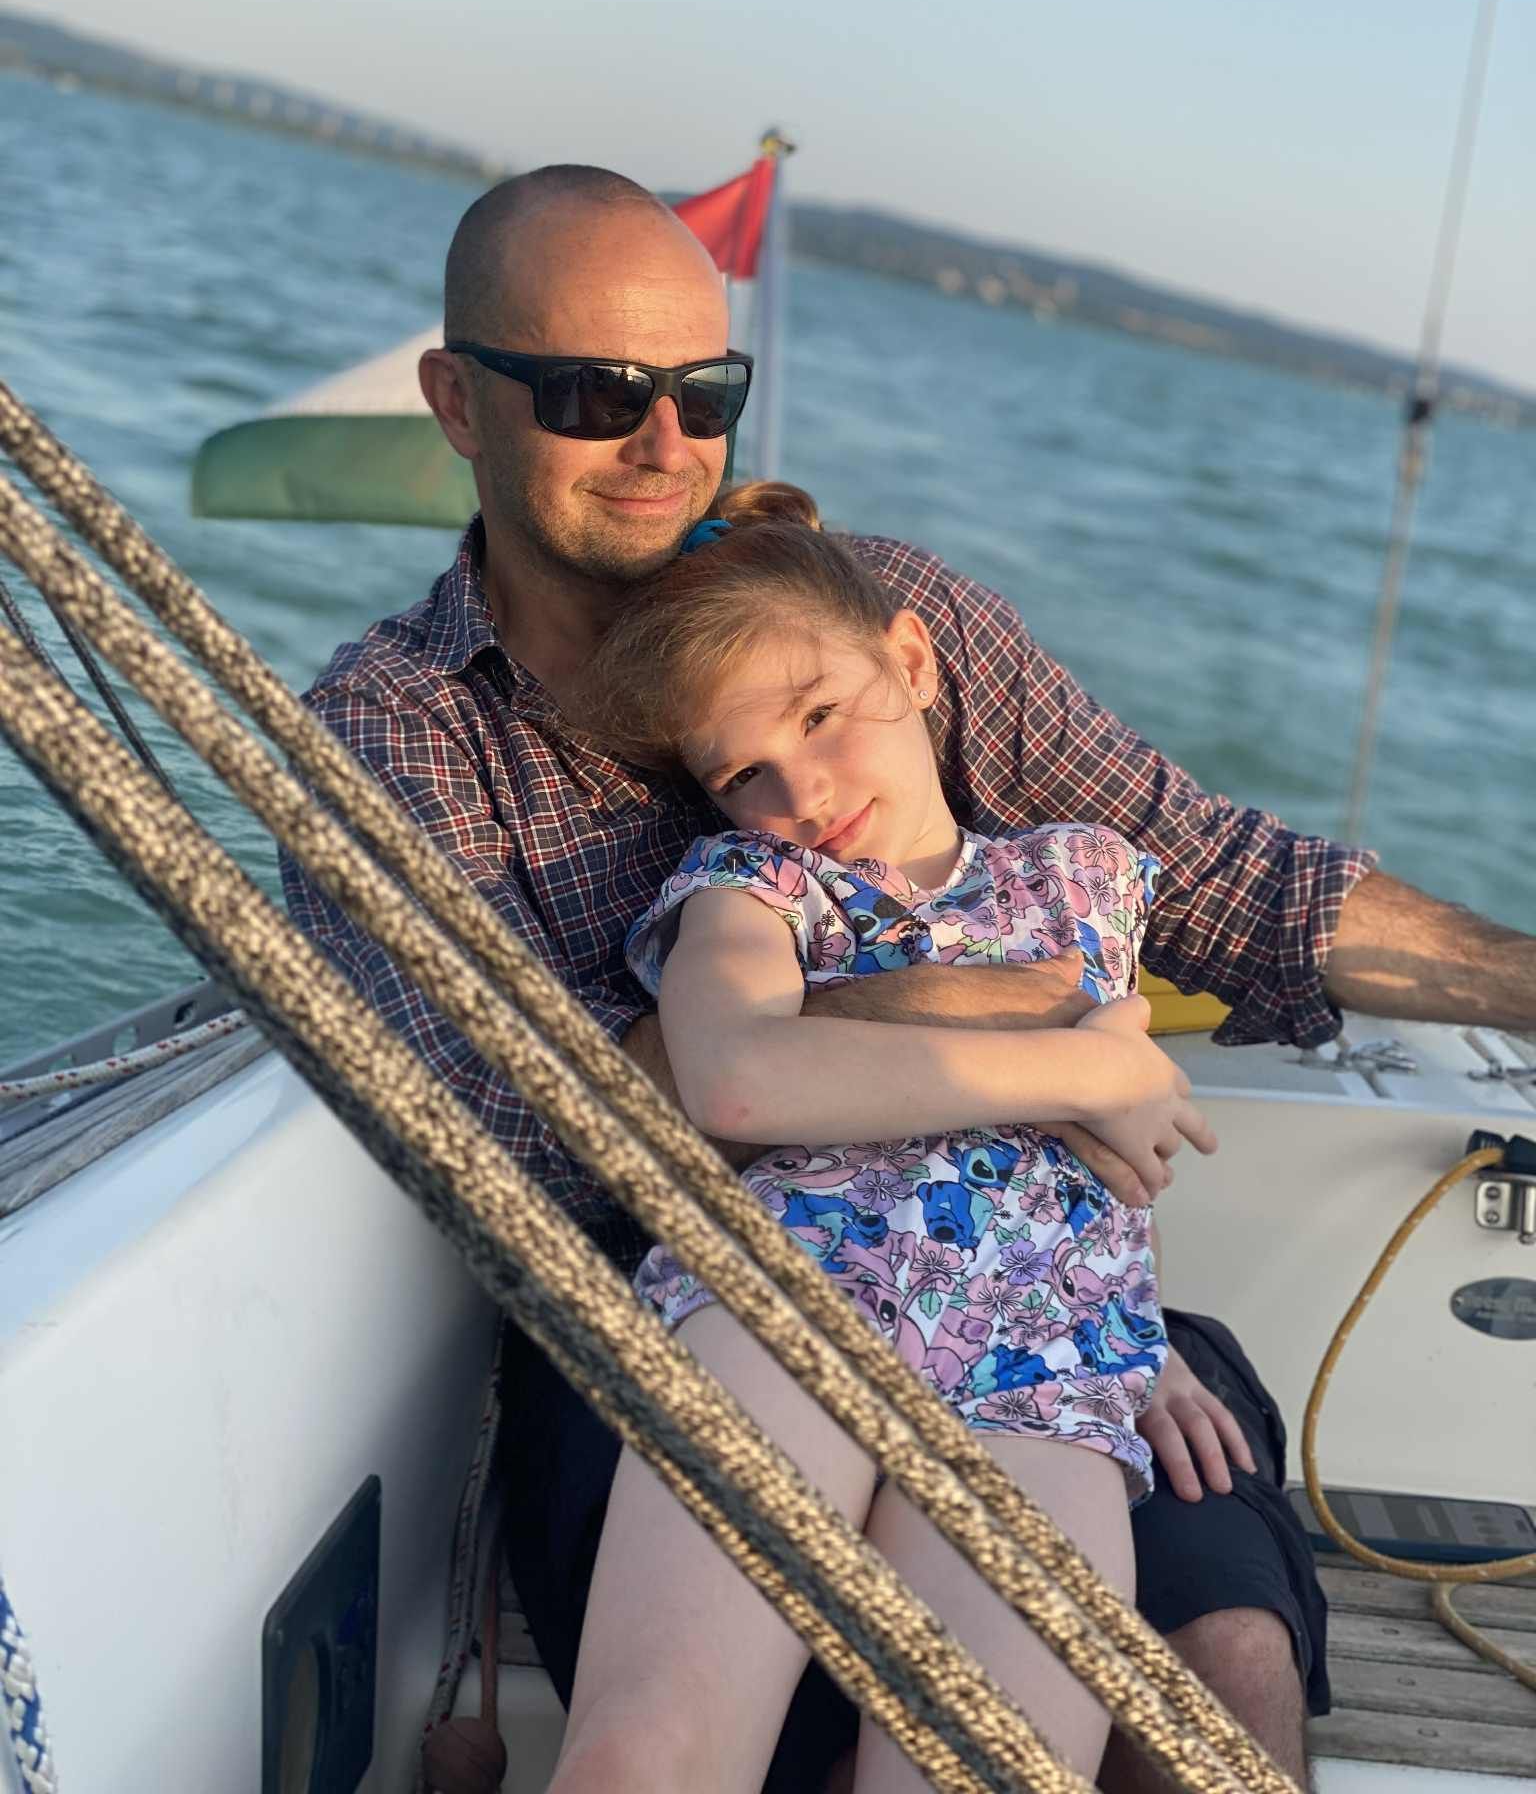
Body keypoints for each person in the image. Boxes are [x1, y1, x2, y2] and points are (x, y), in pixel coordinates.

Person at [283, 163, 1536, 1793]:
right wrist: (1035, 1025)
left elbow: (1219, 876)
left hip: (1049, 1299)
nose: (665, 443)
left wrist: (1520, 981)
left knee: (1219, 1667)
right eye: (599, 395)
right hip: (689, 1301)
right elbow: (556, 1131)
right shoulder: (398, 729)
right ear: (457, 399)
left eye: (701, 389)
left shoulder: (881, 621)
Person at [548, 477, 1214, 1789]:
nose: (802, 788)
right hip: (790, 1304)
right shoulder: (753, 888)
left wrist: (1153, 1339)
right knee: (649, 1756)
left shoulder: (1085, 875)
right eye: (746, 771)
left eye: (819, 716)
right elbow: (735, 1082)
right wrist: (1070, 1059)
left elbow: (1110, 1168)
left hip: (1043, 1356)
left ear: (911, 661)